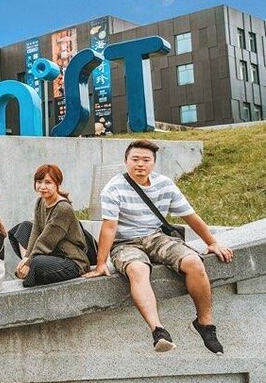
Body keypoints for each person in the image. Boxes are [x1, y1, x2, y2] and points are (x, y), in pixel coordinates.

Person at [86, 139, 234, 353]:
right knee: (138, 269)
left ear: (153, 163)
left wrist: (212, 243)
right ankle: (159, 331)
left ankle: (204, 324)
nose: (140, 164)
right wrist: (101, 263)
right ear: (125, 161)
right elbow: (109, 227)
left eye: (146, 160)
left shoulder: (164, 184)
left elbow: (190, 216)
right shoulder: (113, 188)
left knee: (194, 262)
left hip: (157, 237)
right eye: (135, 159)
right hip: (125, 242)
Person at [8, 164, 90, 287]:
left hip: (71, 261)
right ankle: (30, 270)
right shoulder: (40, 201)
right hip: (52, 253)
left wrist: (29, 262)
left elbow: (46, 241)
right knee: (21, 230)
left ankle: (30, 272)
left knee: (36, 263)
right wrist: (26, 258)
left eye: (48, 182)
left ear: (57, 184)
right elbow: (35, 232)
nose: (42, 187)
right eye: (39, 182)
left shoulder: (63, 208)